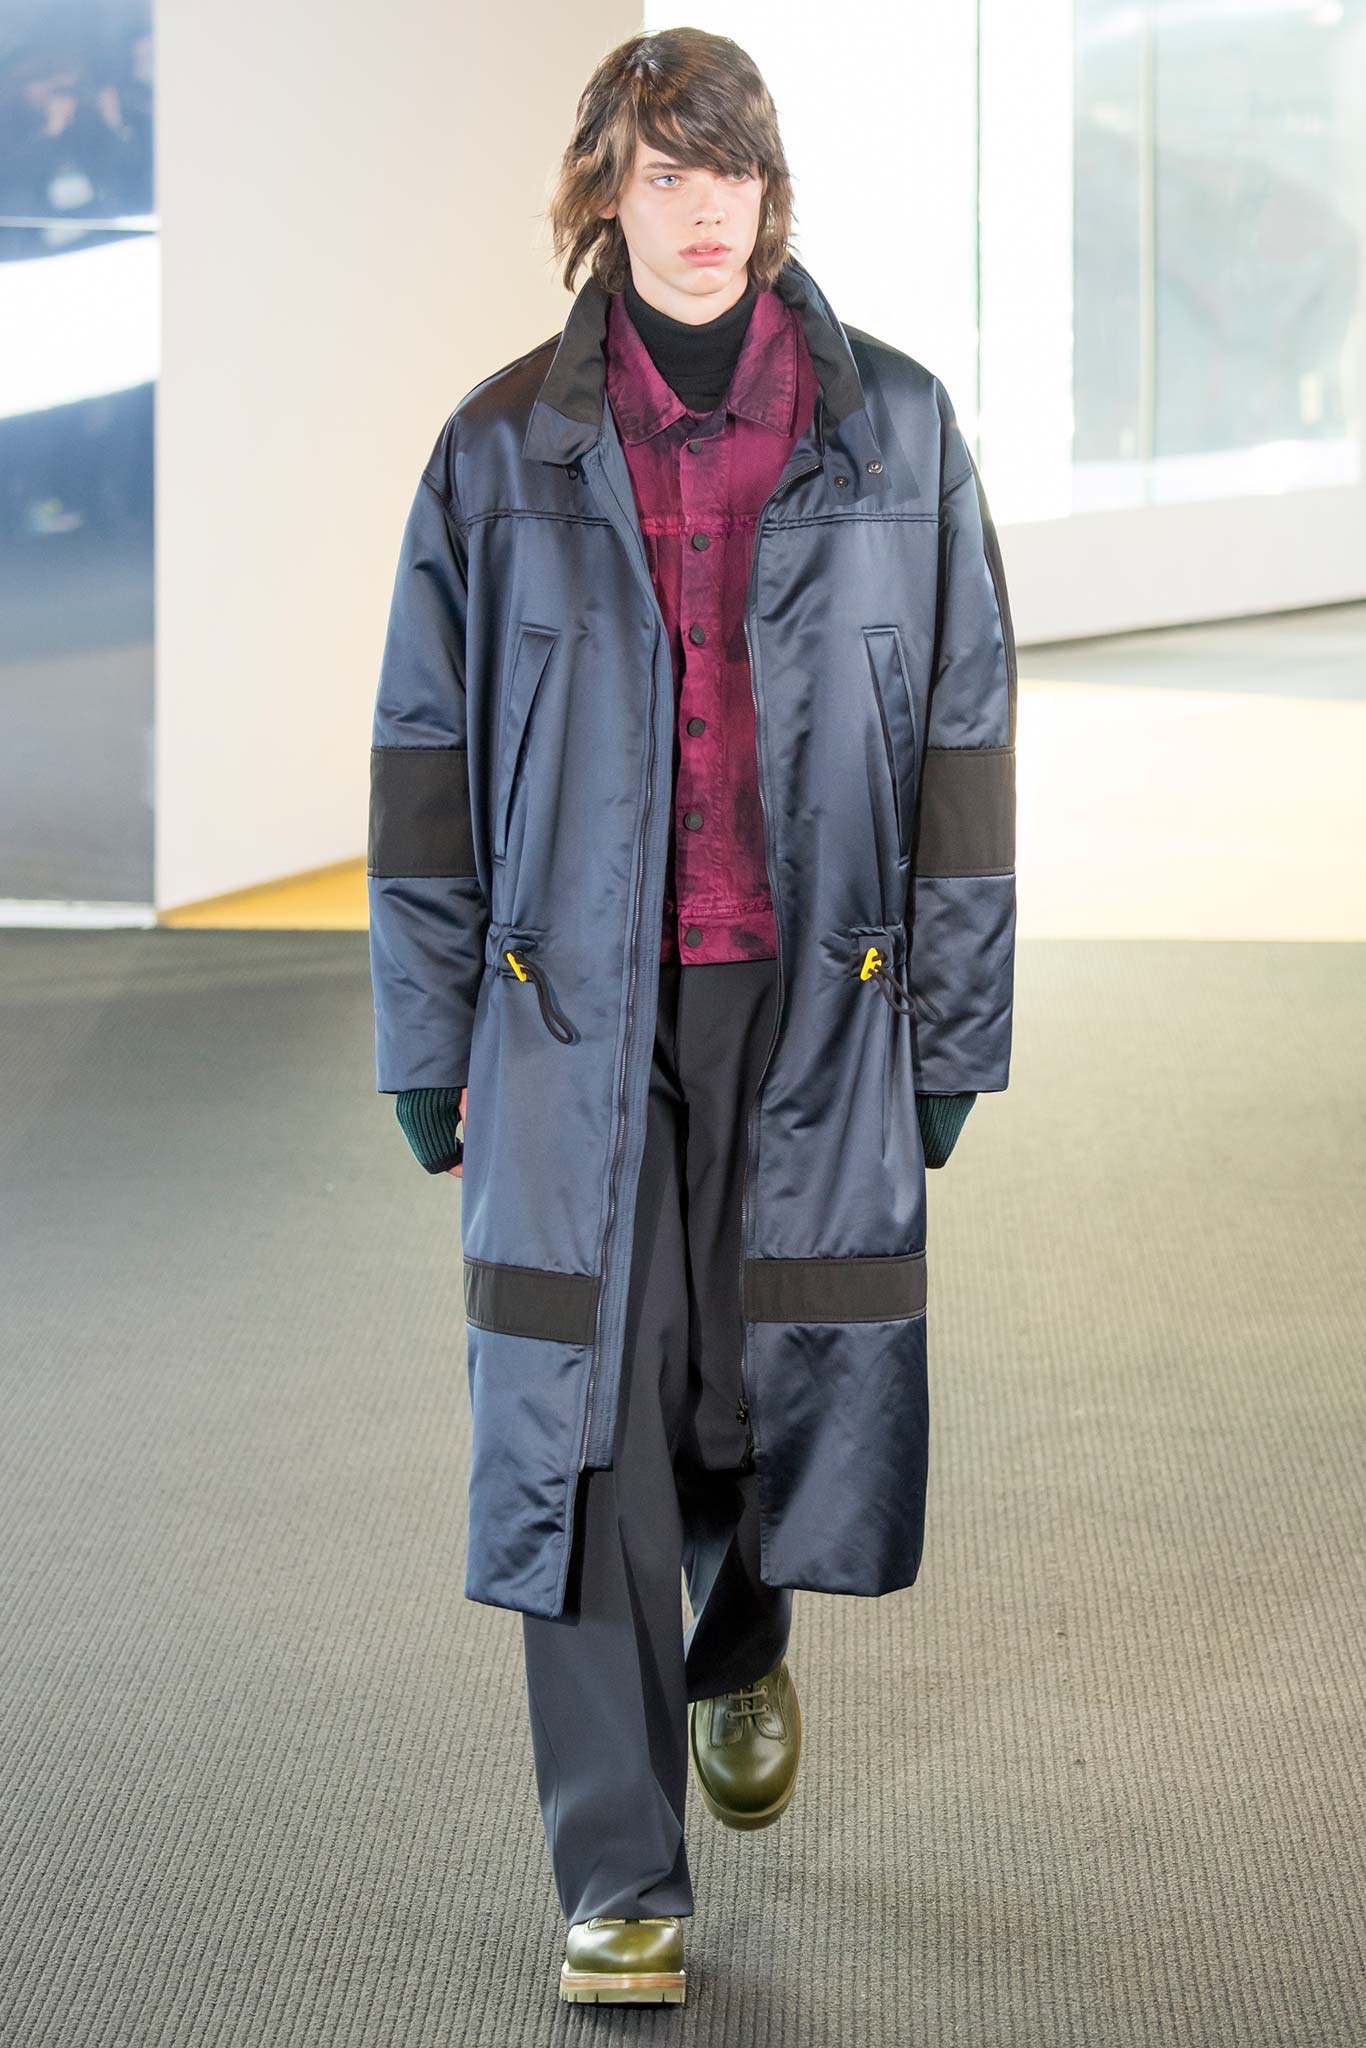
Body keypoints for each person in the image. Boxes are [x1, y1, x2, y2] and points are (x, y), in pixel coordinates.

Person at [367, 26, 1016, 2008]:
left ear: (769, 187)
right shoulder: (499, 449)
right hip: (568, 1014)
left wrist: (954, 1032)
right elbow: (423, 766)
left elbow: (965, 752)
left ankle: (738, 1643)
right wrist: (423, 1042)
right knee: (581, 1423)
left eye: (726, 168)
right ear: (605, 196)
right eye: (662, 171)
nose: (701, 207)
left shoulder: (895, 430)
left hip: (814, 997)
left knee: (750, 1388)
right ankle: (616, 1876)